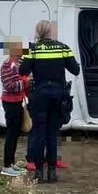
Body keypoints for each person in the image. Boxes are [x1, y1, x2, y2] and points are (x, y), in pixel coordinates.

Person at [18, 20, 80, 184]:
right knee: (53, 133)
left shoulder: (33, 50)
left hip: (39, 96)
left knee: (39, 133)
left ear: (38, 32)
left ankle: (38, 172)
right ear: (51, 32)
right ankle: (52, 172)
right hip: (58, 96)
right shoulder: (63, 48)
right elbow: (76, 70)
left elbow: (22, 70)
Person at [0, 37, 31, 177]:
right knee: (11, 133)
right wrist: (25, 82)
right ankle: (6, 165)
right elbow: (10, 86)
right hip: (10, 102)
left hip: (16, 101)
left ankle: (11, 163)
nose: (21, 51)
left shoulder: (16, 63)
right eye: (19, 48)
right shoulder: (7, 65)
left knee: (16, 132)